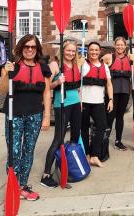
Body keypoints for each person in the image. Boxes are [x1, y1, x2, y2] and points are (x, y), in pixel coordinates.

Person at [0, 34, 52, 200]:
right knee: (14, 153)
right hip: (13, 116)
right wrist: (6, 74)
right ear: (21, 48)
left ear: (37, 49)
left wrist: (46, 117)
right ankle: (13, 187)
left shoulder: (44, 67)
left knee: (28, 151)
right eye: (26, 46)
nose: (30, 50)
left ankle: (23, 186)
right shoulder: (11, 66)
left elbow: (47, 93)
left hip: (35, 116)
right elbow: (2, 91)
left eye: (33, 47)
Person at [41, 39, 82, 187]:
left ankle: (67, 168)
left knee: (75, 137)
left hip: (76, 104)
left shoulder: (76, 64)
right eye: (68, 50)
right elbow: (47, 86)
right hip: (62, 105)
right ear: (63, 50)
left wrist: (80, 101)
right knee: (58, 139)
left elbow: (78, 87)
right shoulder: (55, 65)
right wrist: (57, 83)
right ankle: (46, 174)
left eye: (73, 51)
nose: (71, 53)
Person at [80, 41, 114, 167]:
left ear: (100, 52)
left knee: (102, 126)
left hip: (98, 102)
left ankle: (94, 155)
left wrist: (111, 99)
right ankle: (87, 154)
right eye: (91, 50)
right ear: (88, 51)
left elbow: (109, 84)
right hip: (84, 102)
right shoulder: (83, 64)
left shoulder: (104, 67)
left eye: (96, 50)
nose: (94, 52)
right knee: (84, 128)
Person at [102, 37, 134, 151]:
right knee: (110, 115)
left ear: (125, 46)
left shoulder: (130, 58)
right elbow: (98, 67)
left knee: (120, 116)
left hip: (125, 92)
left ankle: (118, 141)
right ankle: (105, 138)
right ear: (114, 45)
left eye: (122, 45)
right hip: (112, 92)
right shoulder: (109, 57)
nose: (120, 47)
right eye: (118, 45)